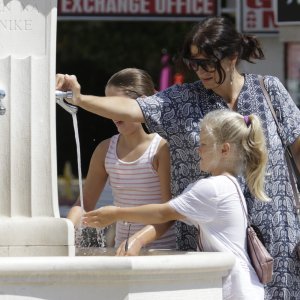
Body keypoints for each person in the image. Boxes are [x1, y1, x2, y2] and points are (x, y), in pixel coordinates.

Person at [56, 16, 300, 299]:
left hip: (278, 239)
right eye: (194, 63)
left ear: (233, 56)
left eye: (207, 62)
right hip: (208, 248)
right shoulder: (181, 100)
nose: (200, 70)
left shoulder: (269, 90)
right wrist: (80, 99)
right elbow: (133, 108)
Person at [82, 109, 268, 300]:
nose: (198, 150)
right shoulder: (228, 184)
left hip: (236, 290)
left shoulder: (212, 188)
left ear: (224, 149)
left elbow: (163, 213)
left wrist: (116, 214)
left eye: (203, 144)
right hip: (243, 288)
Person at [67, 68, 176, 252]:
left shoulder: (160, 149)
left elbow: (169, 214)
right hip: (121, 252)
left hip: (161, 253)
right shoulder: (105, 150)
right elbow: (84, 204)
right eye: (108, 105)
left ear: (142, 103)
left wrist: (138, 240)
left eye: (117, 104)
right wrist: (66, 230)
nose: (112, 112)